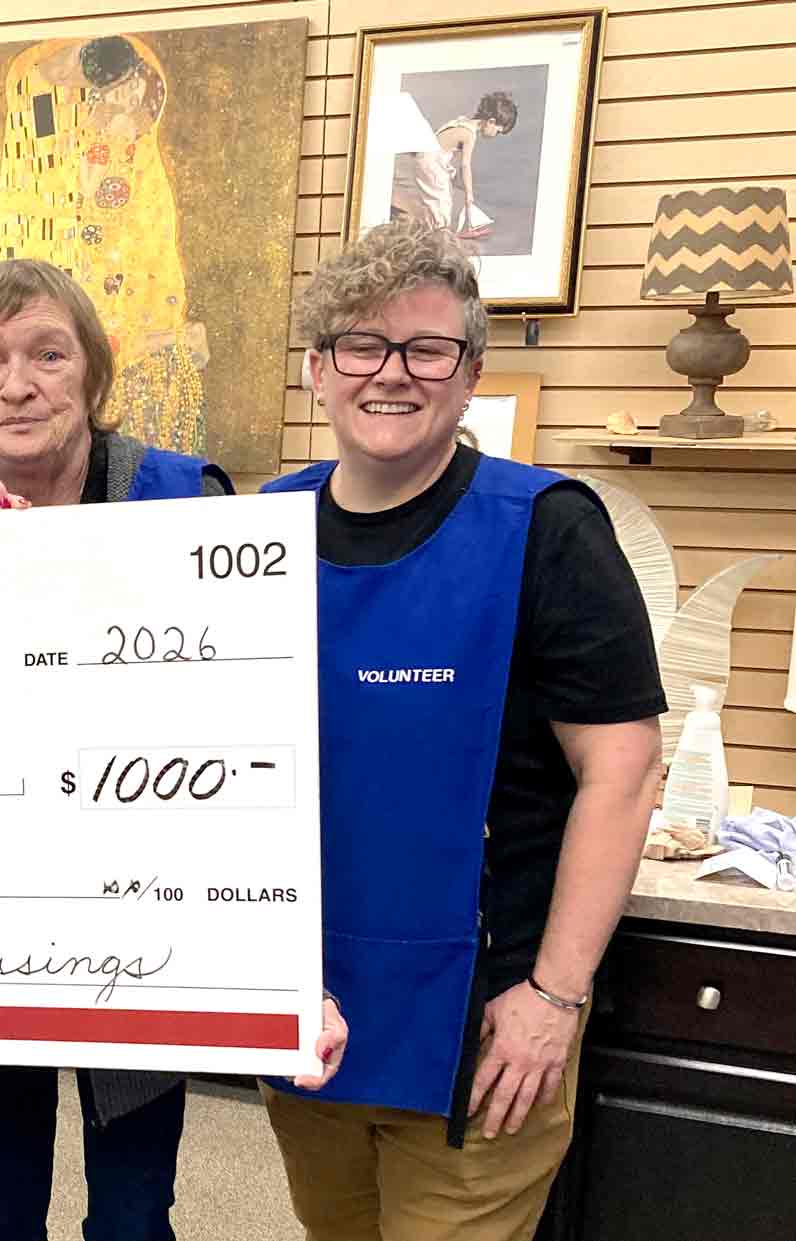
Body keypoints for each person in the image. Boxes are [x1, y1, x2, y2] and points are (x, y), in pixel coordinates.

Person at [0, 257, 348, 1241]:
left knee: (135, 1212)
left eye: (47, 355)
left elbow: (248, 712)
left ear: (93, 375)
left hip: (147, 907)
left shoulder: (183, 499)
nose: (16, 385)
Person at [259, 220, 663, 1241]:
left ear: (471, 372)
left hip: (486, 1027)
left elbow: (622, 771)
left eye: (427, 348)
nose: (392, 372)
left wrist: (553, 998)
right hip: (310, 1011)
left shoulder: (549, 528)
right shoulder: (260, 531)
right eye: (361, 344)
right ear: (318, 369)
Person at [392, 91, 517, 238]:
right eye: (497, 131)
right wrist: (469, 193)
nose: (495, 135)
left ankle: (435, 228)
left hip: (429, 160)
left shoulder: (461, 121)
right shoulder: (469, 134)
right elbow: (465, 165)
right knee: (441, 202)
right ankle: (439, 234)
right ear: (491, 122)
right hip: (432, 164)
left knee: (439, 198)